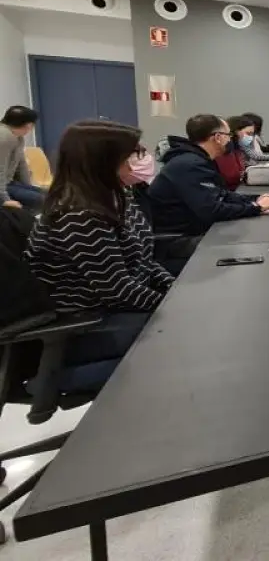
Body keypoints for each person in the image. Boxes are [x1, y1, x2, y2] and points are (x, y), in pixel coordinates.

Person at [24, 120, 174, 392]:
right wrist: (174, 306)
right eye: (128, 158)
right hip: (86, 324)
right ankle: (54, 383)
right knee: (184, 336)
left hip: (112, 311)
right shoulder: (78, 214)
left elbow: (144, 259)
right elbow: (116, 289)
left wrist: (173, 290)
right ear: (102, 162)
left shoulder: (116, 195)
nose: (134, 165)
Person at [148, 114, 269, 235]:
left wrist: (254, 199)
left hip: (190, 230)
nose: (230, 140)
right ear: (218, 138)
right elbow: (211, 210)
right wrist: (256, 207)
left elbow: (221, 194)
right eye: (228, 135)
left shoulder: (197, 159)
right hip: (180, 238)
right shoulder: (191, 165)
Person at [1, 105, 44, 210]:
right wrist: (5, 200)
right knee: (41, 200)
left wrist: (28, 188)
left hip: (8, 183)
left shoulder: (17, 137)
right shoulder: (4, 137)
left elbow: (21, 165)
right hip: (4, 186)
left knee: (47, 195)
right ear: (29, 125)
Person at [214, 115, 254, 190]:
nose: (251, 137)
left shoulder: (236, 146)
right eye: (248, 133)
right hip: (231, 190)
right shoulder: (226, 147)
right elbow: (231, 176)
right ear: (236, 131)